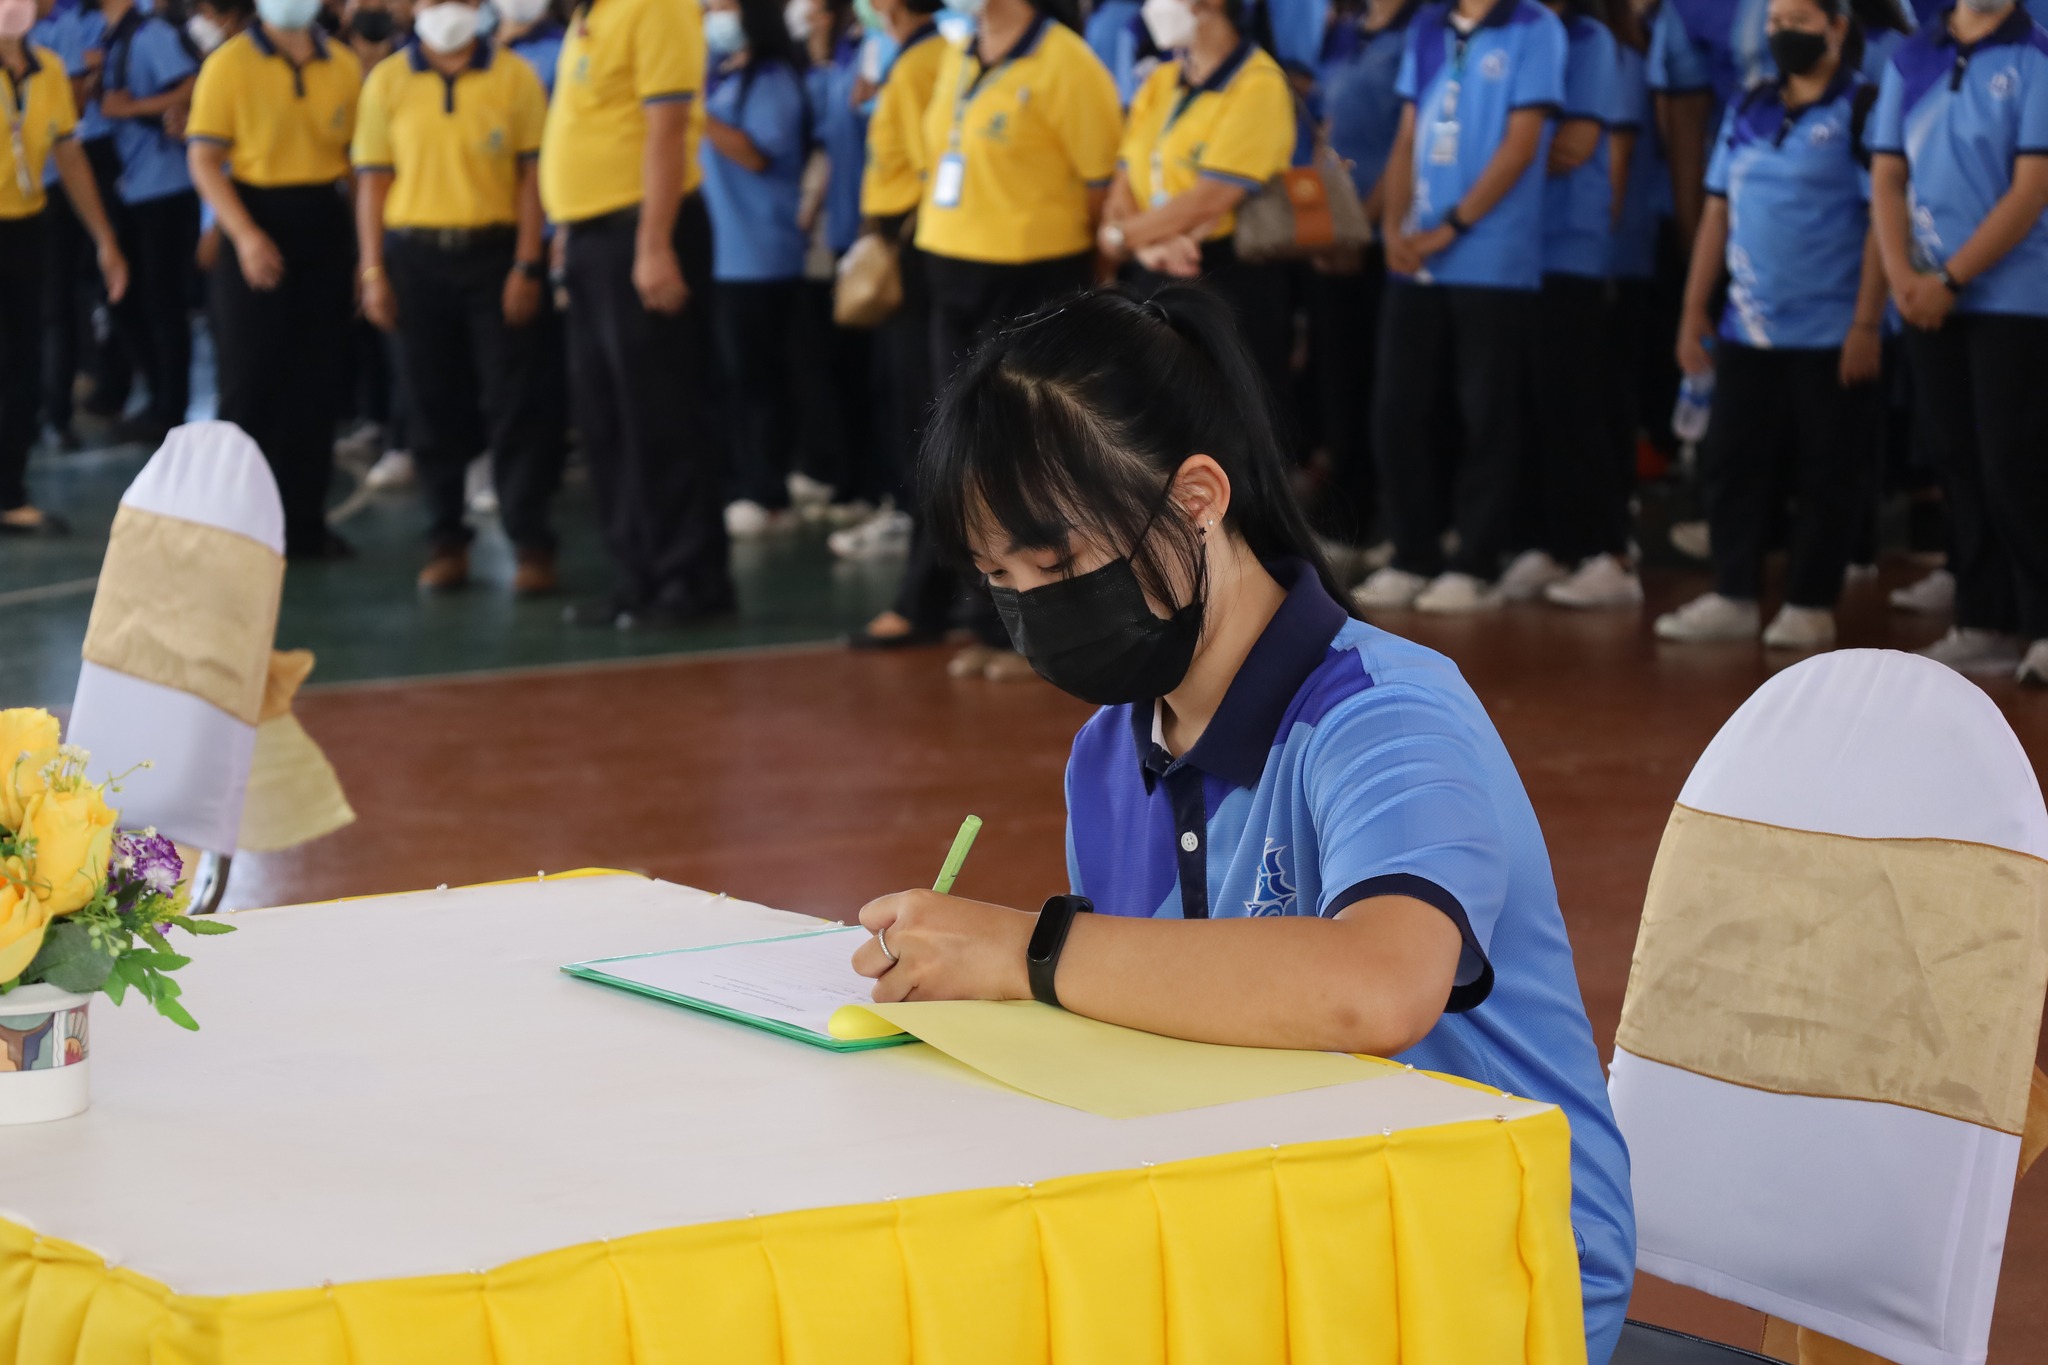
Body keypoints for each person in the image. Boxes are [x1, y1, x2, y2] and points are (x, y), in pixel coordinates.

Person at [853, 284, 1635, 1365]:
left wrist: (1028, 950)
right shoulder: (1106, 753)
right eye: (1000, 581)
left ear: (1197, 498)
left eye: (1058, 562)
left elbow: (1377, 984)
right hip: (1286, 1243)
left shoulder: (1383, 714)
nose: (1033, 611)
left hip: (1486, 1275)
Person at [1654, 0, 1886, 648]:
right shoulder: (1750, 105)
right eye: (1776, 21)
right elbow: (1716, 214)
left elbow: (1880, 228)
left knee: (1827, 471)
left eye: (1801, 21)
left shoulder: (1864, 108)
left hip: (1831, 335)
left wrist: (1868, 322)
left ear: (1838, 27)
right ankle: (1733, 591)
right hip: (1748, 330)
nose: (1784, 34)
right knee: (1732, 461)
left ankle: (1811, 601)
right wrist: (1693, 307)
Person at [908, 0, 1122, 680]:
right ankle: (979, 613)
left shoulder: (1066, 62)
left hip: (1029, 275)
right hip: (951, 267)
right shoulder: (961, 51)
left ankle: (1042, 626)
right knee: (961, 453)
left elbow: (1099, 185)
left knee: (1024, 455)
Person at [1351, 0, 1568, 614]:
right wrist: (1393, 224)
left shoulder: (1535, 28)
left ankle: (1476, 560)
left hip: (1491, 258)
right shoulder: (1426, 28)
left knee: (1486, 411)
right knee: (1399, 406)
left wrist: (1453, 226)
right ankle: (1412, 551)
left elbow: (1521, 146)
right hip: (1416, 257)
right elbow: (1407, 137)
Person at [352, 0, 559, 593]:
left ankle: (531, 543)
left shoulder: (513, 76)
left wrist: (528, 261)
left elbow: (531, 177)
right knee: (429, 403)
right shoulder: (389, 80)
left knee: (515, 400)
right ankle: (446, 540)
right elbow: (372, 182)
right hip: (414, 257)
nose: (450, 9)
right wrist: (372, 272)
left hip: (496, 257)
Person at [541, 0, 735, 628]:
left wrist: (654, 244)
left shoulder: (657, 7)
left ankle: (689, 581)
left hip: (646, 233)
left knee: (662, 417)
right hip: (596, 237)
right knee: (607, 422)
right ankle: (639, 575)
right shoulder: (590, 14)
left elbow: (666, 128)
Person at [1871, 0, 2048, 680]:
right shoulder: (1911, 58)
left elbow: (2031, 190)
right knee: (1958, 459)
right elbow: (1887, 175)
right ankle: (1983, 618)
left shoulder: (2034, 56)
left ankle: (2041, 619)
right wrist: (1901, 276)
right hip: (1925, 297)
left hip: (2015, 297)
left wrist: (1950, 276)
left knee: (2016, 460)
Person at [186, 0, 361, 558]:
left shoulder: (344, 64)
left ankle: (304, 522)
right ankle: (238, 532)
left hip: (325, 222)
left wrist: (363, 252)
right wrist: (244, 235)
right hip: (255, 215)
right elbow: (204, 158)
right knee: (251, 380)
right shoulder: (230, 63)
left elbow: (359, 163)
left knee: (319, 379)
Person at [1098, 0, 1297, 451]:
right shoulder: (1163, 81)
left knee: (1232, 427)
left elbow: (1209, 198)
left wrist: (1123, 237)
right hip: (1159, 269)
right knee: (1162, 421)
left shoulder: (1258, 83)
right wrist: (1147, 249)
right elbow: (1124, 181)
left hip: (1227, 277)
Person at [1505, 0, 1636, 606]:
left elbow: (1574, 146)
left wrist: (1499, 146)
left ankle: (1608, 550)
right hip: (1513, 248)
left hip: (1568, 249)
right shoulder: (1510, 30)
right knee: (1527, 402)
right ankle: (1553, 542)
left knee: (1575, 402)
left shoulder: (1590, 42)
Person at [0, 0, 128, 534]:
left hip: (25, 229)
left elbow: (68, 154)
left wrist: (105, 239)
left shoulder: (48, 69)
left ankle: (8, 494)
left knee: (20, 366)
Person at [840, 0, 948, 615]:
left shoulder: (924, 64)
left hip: (915, 251)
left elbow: (928, 165)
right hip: (898, 243)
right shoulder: (907, 61)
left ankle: (930, 584)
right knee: (902, 405)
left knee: (921, 410)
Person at [1312, 0, 1424, 554]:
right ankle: (1345, 518)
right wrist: (1322, 226)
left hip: (1385, 242)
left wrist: (1365, 224)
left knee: (1390, 389)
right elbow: (1326, 128)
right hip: (1337, 237)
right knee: (1340, 384)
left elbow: (1411, 140)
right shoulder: (1346, 31)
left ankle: (1392, 520)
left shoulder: (1419, 32)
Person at [701, 0, 811, 539]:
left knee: (758, 380)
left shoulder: (773, 80)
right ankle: (741, 480)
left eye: (724, 4)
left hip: (761, 253)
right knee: (730, 379)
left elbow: (757, 154)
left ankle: (768, 491)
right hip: (722, 253)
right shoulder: (721, 74)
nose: (713, 13)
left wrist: (693, 113)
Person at [97, 0, 203, 444]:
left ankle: (170, 406)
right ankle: (157, 392)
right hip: (135, 184)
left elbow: (194, 86)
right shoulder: (114, 38)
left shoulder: (148, 35)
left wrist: (130, 108)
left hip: (166, 184)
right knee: (129, 299)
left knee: (164, 302)